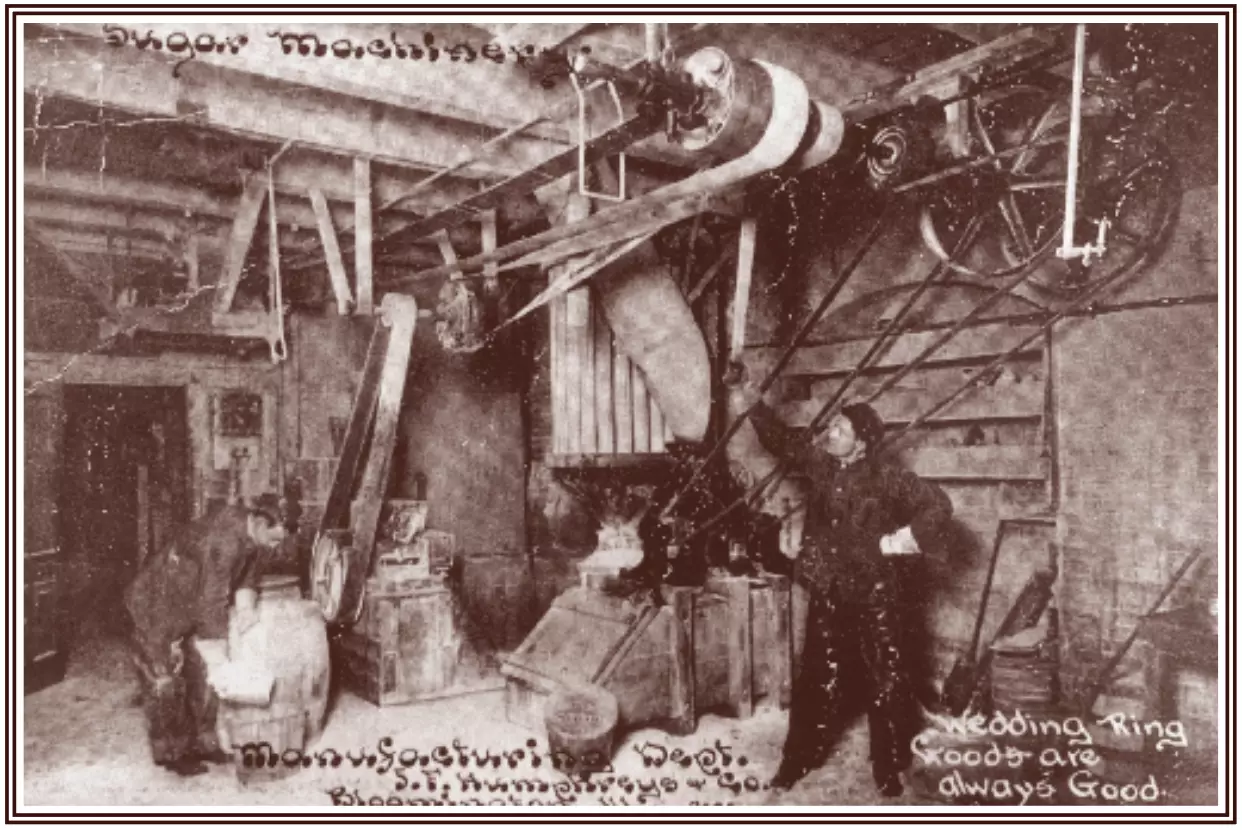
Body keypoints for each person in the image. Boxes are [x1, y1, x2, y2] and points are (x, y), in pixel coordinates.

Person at [730, 380, 953, 798]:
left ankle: (887, 767)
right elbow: (780, 440)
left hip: (875, 594)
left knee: (884, 678)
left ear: (862, 444)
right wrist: (747, 399)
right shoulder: (823, 467)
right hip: (831, 590)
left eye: (840, 430)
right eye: (831, 426)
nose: (829, 433)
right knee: (817, 677)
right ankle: (796, 761)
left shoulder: (889, 479)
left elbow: (939, 506)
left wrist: (897, 542)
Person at [123, 493, 288, 777]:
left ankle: (204, 743)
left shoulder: (253, 532)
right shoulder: (224, 539)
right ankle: (172, 753)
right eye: (273, 539)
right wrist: (219, 652)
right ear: (260, 523)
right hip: (158, 603)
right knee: (165, 678)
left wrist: (246, 606)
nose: (275, 547)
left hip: (189, 599)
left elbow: (248, 574)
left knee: (201, 674)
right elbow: (212, 600)